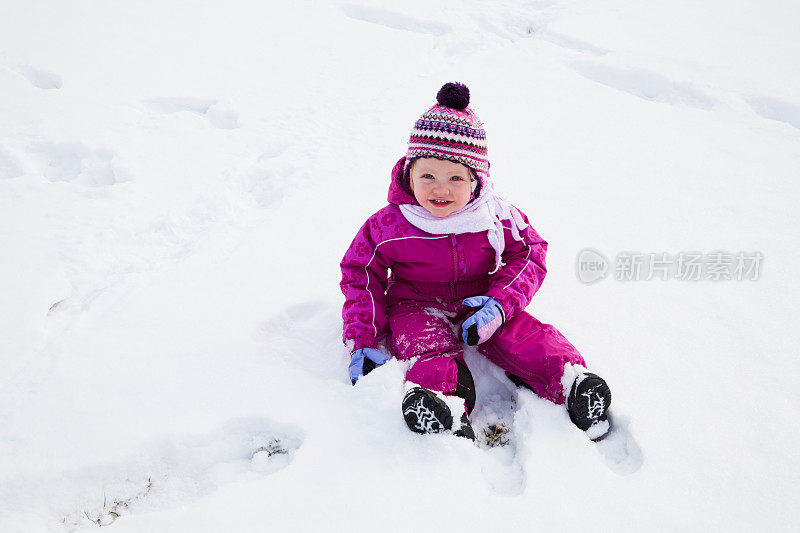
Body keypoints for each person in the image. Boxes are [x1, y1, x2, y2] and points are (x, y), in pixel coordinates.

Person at [340, 82, 612, 442]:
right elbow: (360, 274)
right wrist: (363, 339)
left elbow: (531, 252)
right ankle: (440, 402)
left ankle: (572, 383)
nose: (441, 189)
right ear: (409, 174)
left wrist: (500, 305)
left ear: (476, 180)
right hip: (414, 304)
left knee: (522, 336)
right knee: (424, 346)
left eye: (455, 177)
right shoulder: (390, 224)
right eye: (427, 176)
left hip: (481, 300)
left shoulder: (494, 217)